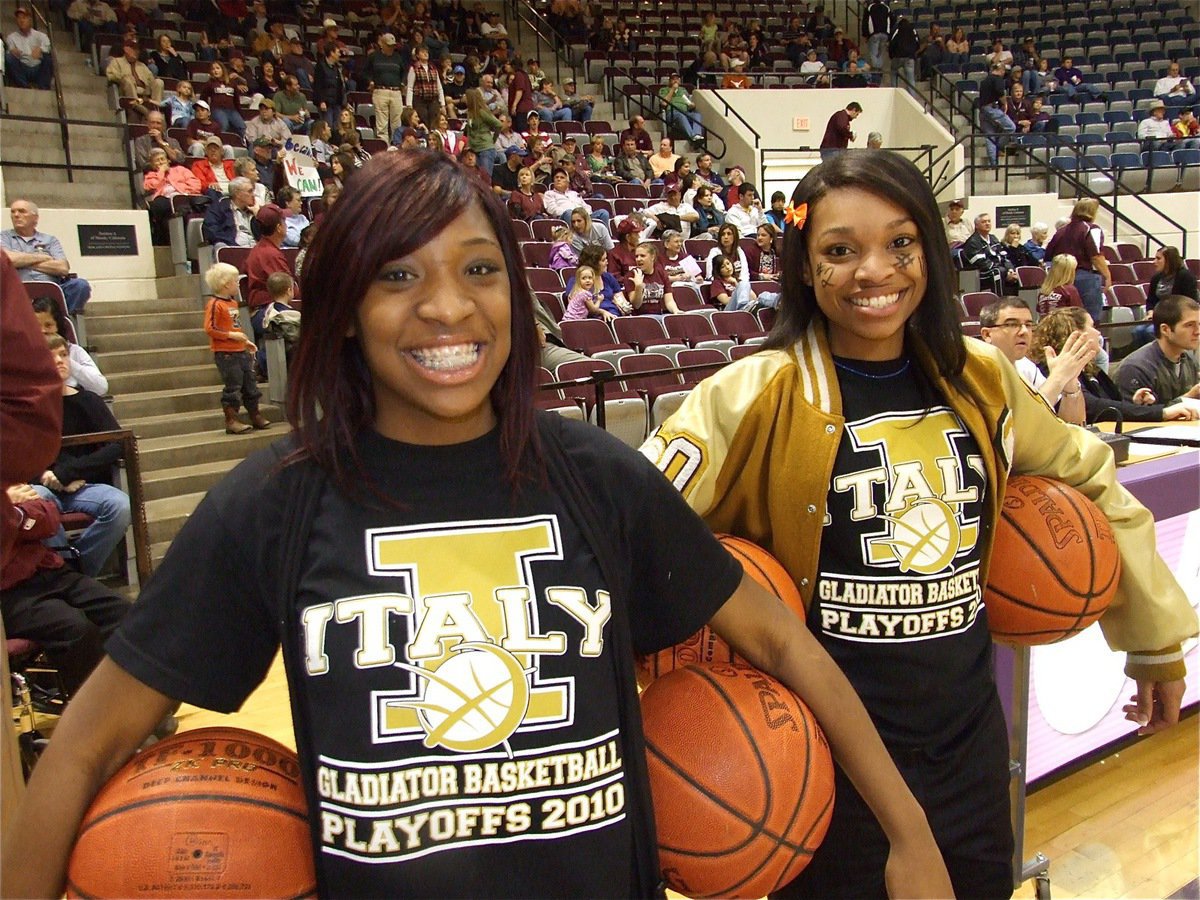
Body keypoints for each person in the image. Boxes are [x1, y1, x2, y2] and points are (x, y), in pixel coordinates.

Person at [2, 150, 956, 899]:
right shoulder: (274, 503)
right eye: (397, 275)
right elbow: (85, 743)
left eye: (480, 269)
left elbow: (783, 644)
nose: (449, 305)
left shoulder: (596, 478)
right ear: (340, 311)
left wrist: (908, 834)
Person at [642, 150, 1196, 899]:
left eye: (901, 244)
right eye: (841, 250)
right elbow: (630, 528)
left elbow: (1088, 476)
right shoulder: (749, 395)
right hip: (822, 759)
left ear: (930, 252)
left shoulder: (981, 377)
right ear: (806, 269)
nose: (876, 270)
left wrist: (1154, 638)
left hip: (968, 745)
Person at [26, 333, 132, 578]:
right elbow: (20, 454)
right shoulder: (29, 406)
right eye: (51, 356)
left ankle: (76, 572)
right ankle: (63, 571)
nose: (60, 361)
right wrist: (51, 475)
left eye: (63, 355)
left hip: (83, 485)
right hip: (43, 484)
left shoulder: (88, 400)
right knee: (39, 504)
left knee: (119, 505)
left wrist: (70, 472)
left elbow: (117, 444)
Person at [1031, 309, 1199, 425]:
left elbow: (1111, 405)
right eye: (1093, 327)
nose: (1098, 333)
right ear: (1074, 333)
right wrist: (1162, 412)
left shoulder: (1090, 368)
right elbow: (1092, 407)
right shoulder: (1051, 369)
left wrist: (1135, 403)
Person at [978, 298, 1091, 424]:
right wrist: (1058, 378)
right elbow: (1016, 429)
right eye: (1012, 324)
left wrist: (1070, 383)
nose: (1024, 332)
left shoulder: (1025, 366)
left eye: (1028, 325)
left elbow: (1073, 427)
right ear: (987, 334)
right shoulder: (977, 371)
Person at [202, 262, 268, 434]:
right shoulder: (216, 304)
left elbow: (235, 326)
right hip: (226, 354)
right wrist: (231, 336)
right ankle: (231, 420)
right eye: (235, 281)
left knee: (250, 385)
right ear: (225, 284)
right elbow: (210, 328)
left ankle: (255, 414)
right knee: (233, 386)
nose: (238, 285)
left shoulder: (232, 304)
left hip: (240, 351)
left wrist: (244, 341)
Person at [1, 200, 92, 314]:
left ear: (35, 218)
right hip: (17, 290)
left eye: (22, 211)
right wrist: (43, 257)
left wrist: (23, 261)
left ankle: (62, 322)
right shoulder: (3, 237)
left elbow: (62, 268)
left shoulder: (50, 240)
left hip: (52, 290)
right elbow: (8, 260)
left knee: (80, 285)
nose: (16, 215)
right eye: (13, 212)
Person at [1115, 295, 1200, 405]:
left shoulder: (1189, 359)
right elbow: (1136, 415)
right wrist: (1188, 398)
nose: (1197, 331)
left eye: (1199, 324)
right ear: (1165, 329)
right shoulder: (1136, 368)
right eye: (1189, 325)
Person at [1044, 198, 1111, 324]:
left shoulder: (1061, 231)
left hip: (1061, 278)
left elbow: (1048, 256)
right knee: (1089, 319)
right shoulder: (1092, 229)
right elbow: (1096, 255)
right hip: (1084, 277)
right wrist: (1107, 276)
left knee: (1067, 320)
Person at [30, 296, 105, 395]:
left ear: (58, 326)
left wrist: (64, 357)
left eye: (48, 325)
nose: (42, 331)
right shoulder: (25, 353)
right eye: (37, 325)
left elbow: (101, 388)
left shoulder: (74, 351)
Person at [960, 213, 1019, 296]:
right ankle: (999, 302)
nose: (987, 223)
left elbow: (1004, 256)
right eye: (984, 222)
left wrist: (1010, 269)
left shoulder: (993, 238)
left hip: (999, 270)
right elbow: (982, 264)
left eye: (989, 221)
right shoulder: (973, 242)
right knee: (999, 272)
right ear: (976, 226)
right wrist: (1005, 273)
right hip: (982, 274)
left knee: (1015, 273)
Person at [362, 32, 405, 141]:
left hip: (395, 91)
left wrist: (402, 83)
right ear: (382, 44)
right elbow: (365, 72)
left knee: (397, 123)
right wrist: (370, 81)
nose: (391, 48)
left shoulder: (398, 58)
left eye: (393, 46)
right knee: (382, 125)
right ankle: (384, 146)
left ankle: (396, 145)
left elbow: (403, 73)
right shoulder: (374, 56)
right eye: (389, 45)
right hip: (380, 91)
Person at [105, 38, 162, 119]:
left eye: (137, 49)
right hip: (126, 91)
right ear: (126, 49)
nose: (137, 51)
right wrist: (124, 77)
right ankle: (141, 108)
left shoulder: (142, 65)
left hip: (144, 93)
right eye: (134, 49)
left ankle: (156, 107)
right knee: (128, 79)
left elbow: (151, 80)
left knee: (159, 82)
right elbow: (111, 76)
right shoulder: (116, 61)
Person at [202, 177, 259, 248]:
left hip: (256, 249)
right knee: (220, 245)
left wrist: (258, 215)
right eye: (250, 191)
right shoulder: (220, 208)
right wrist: (231, 244)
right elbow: (211, 231)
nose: (254, 195)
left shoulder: (254, 210)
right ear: (238, 194)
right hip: (232, 247)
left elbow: (268, 235)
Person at [5, 5, 53, 90]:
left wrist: (40, 49)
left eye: (24, 17)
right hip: (23, 66)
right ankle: (24, 85)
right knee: (9, 58)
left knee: (49, 58)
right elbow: (11, 50)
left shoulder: (40, 35)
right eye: (19, 18)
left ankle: (43, 87)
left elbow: (48, 45)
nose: (21, 20)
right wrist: (13, 52)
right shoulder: (11, 37)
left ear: (30, 19)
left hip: (38, 68)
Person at [977, 61, 1015, 166]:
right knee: (1011, 127)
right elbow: (1000, 92)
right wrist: (1005, 103)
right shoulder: (997, 79)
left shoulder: (985, 81)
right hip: (992, 109)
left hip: (983, 110)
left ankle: (993, 164)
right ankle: (999, 146)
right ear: (1001, 70)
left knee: (990, 136)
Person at [659, 72, 703, 145]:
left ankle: (697, 135)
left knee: (696, 115)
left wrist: (692, 105)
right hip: (672, 113)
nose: (675, 81)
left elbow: (688, 102)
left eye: (677, 79)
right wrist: (672, 90)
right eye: (673, 79)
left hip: (685, 112)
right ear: (670, 81)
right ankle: (693, 137)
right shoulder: (664, 90)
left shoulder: (683, 90)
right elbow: (664, 103)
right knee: (680, 115)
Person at [862, 0, 891, 71]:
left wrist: (865, 34)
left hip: (874, 33)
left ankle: (876, 70)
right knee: (881, 53)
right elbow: (892, 20)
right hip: (885, 34)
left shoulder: (870, 7)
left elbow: (865, 22)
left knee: (873, 53)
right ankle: (880, 68)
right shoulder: (887, 8)